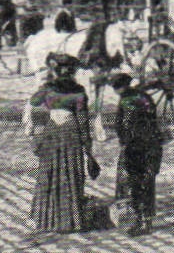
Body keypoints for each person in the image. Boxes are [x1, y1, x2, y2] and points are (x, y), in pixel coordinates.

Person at [28, 53, 99, 235]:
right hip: (71, 133)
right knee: (70, 173)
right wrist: (88, 147)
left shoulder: (48, 90)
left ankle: (48, 219)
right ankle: (70, 220)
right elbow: (82, 120)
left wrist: (44, 85)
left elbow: (34, 101)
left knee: (49, 172)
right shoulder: (79, 91)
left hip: (52, 132)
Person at [109, 73, 162, 236]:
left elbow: (124, 125)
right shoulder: (142, 96)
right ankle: (144, 220)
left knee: (137, 183)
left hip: (138, 147)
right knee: (146, 182)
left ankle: (142, 221)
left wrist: (124, 141)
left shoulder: (127, 100)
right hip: (149, 144)